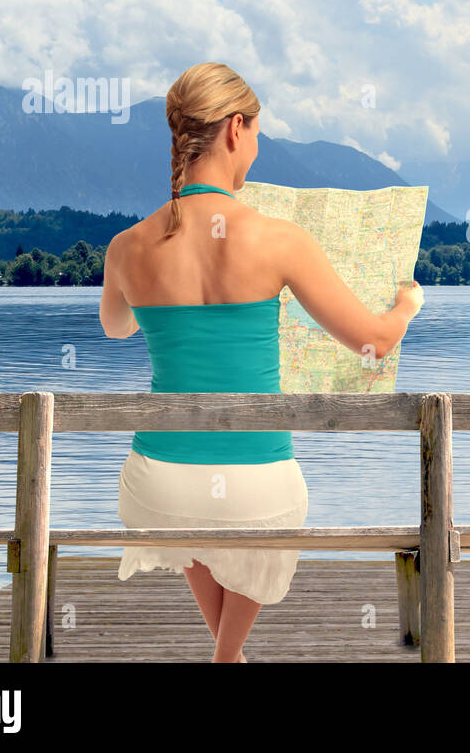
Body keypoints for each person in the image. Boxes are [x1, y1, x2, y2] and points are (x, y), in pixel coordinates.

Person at [98, 61, 423, 663]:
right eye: (256, 134)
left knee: (189, 505)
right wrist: (405, 307)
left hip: (158, 485)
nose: (257, 148)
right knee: (254, 496)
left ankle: (229, 657)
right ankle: (227, 658)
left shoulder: (127, 246)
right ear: (235, 128)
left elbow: (115, 328)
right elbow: (372, 342)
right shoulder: (279, 240)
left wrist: (162, 300)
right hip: (258, 488)